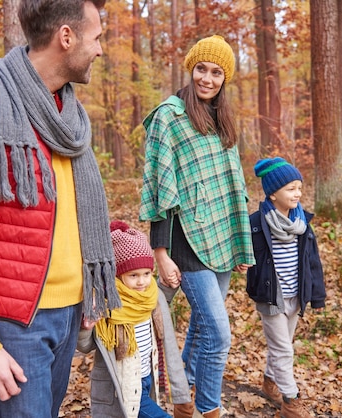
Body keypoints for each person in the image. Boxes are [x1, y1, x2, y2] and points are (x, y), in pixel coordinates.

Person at [0, 1, 121, 417]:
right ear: (65, 37)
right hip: (15, 325)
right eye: (97, 37)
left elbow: (70, 217)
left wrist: (85, 297)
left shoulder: (68, 116)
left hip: (69, 315)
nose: (100, 49)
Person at [139, 35, 255, 418]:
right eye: (201, 69)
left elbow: (231, 184)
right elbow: (158, 189)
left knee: (205, 328)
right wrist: (160, 254)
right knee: (219, 335)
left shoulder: (223, 120)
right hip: (185, 242)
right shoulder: (169, 118)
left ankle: (183, 389)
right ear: (191, 69)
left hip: (222, 238)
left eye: (217, 72)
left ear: (226, 78)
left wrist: (241, 245)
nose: (207, 78)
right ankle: (209, 407)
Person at [77, 221, 195, 418]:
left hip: (148, 376)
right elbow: (86, 346)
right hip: (122, 385)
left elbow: (163, 300)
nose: (142, 281)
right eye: (133, 275)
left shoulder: (151, 296)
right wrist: (86, 327)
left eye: (147, 274)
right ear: (118, 274)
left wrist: (170, 283)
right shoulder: (108, 304)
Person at [246, 157, 326, 418]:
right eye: (291, 188)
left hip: (295, 295)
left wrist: (316, 296)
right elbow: (244, 252)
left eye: (299, 188)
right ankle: (291, 403)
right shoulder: (256, 223)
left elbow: (312, 262)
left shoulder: (302, 224)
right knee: (283, 349)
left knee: (283, 345)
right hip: (271, 297)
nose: (297, 193)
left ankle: (270, 381)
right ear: (272, 193)